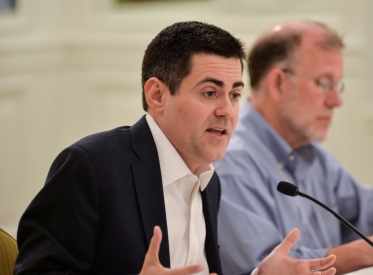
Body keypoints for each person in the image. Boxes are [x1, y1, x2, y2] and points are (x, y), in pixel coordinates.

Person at [14, 21, 337, 275]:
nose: (227, 110)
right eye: (210, 92)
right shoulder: (91, 167)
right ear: (157, 95)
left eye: (235, 95)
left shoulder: (209, 181)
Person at [213, 20, 373, 275]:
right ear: (278, 84)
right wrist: (368, 251)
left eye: (338, 85)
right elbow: (263, 269)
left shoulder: (313, 156)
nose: (336, 101)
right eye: (324, 83)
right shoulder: (230, 161)